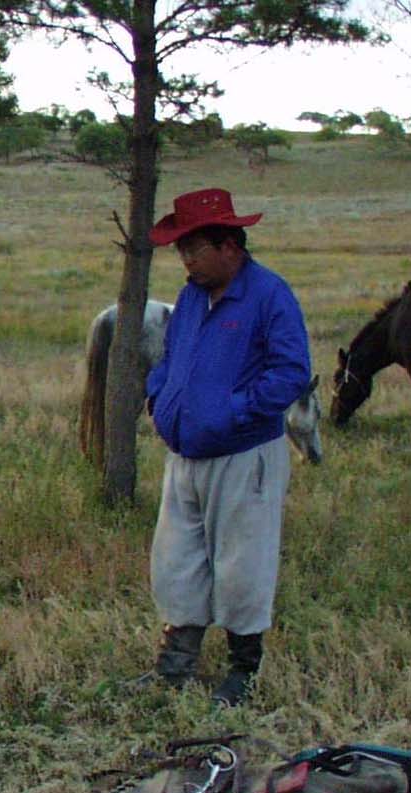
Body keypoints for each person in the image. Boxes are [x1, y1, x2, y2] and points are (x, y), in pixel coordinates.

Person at [142, 188, 311, 707]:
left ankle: (243, 671)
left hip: (243, 455)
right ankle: (174, 666)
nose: (187, 260)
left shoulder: (269, 295)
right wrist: (160, 395)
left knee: (241, 563)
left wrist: (234, 413)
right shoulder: (193, 295)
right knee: (178, 559)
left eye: (196, 248)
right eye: (182, 250)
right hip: (186, 453)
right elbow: (173, 355)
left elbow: (291, 373)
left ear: (231, 246)